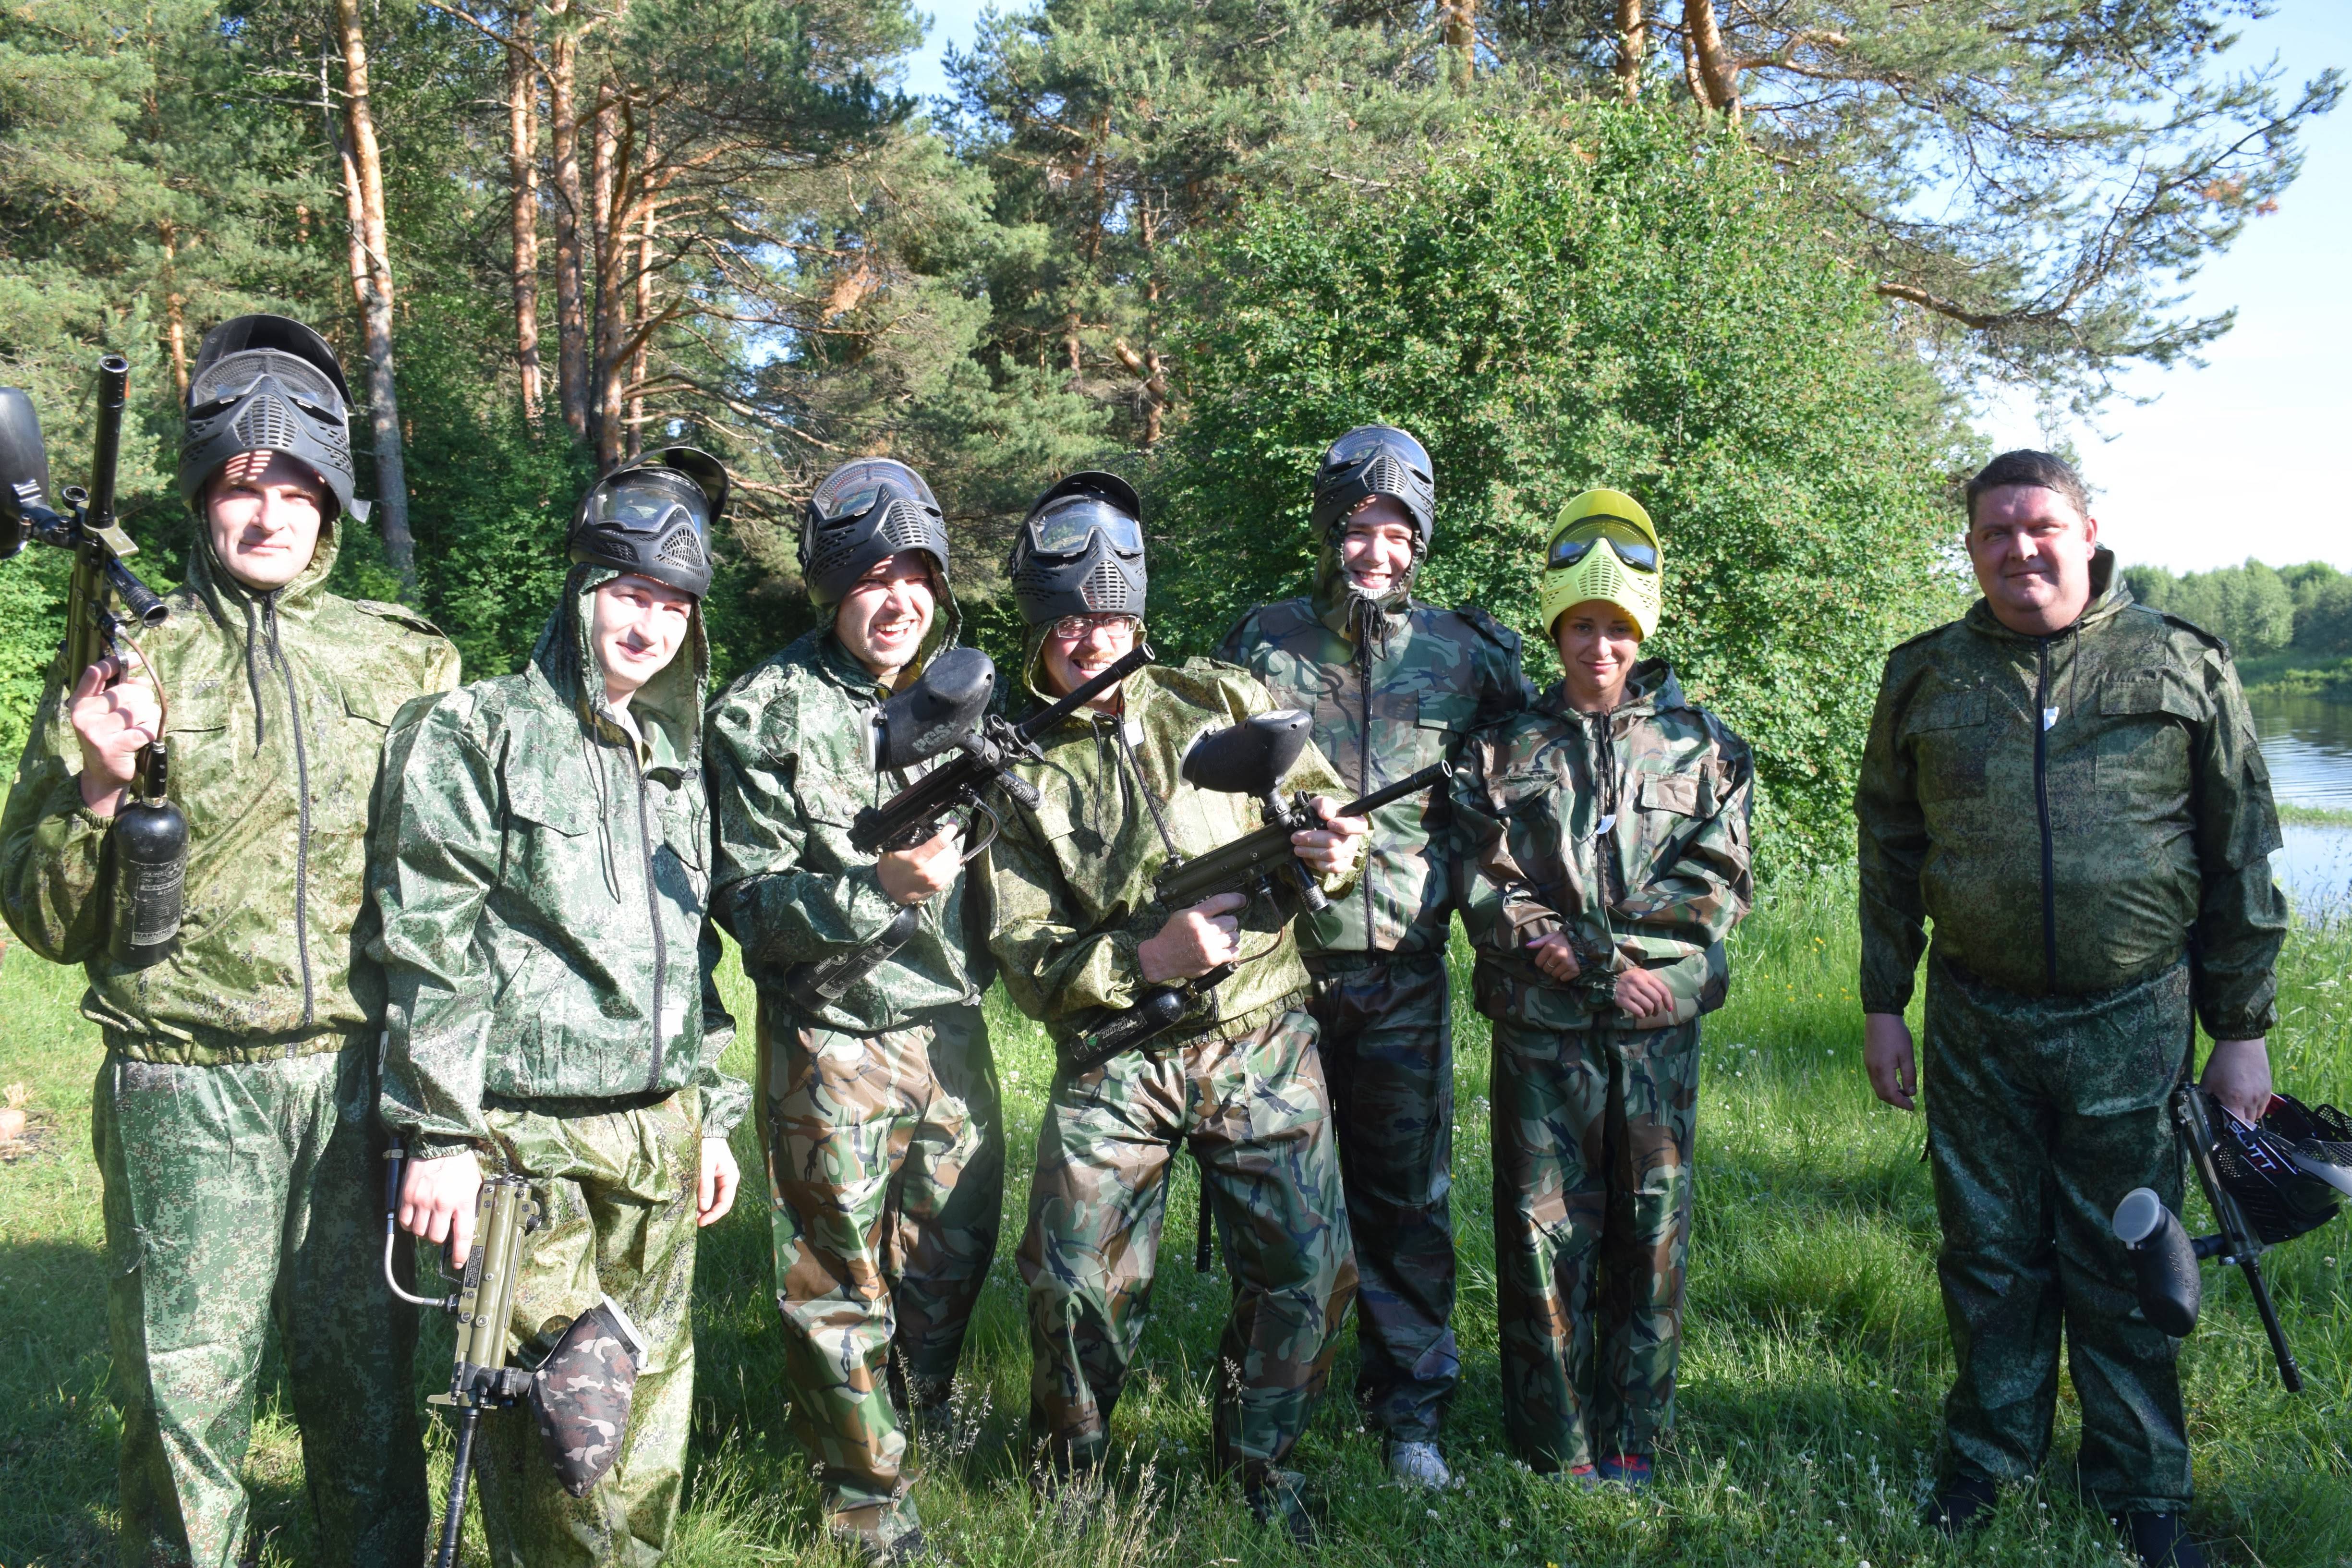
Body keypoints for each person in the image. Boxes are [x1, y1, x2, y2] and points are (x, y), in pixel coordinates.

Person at [0, 315, 458, 1567]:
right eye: (242, 488)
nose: (269, 516)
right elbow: (45, 920)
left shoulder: (404, 663)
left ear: (332, 504)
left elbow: (458, 887)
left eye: (296, 490)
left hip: (357, 1086)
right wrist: (100, 784)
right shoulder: (132, 658)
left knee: (368, 1397)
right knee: (181, 1397)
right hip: (182, 1087)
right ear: (205, 498)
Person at [1854, 450, 2285, 1568]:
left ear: (2087, 533)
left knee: (2127, 1256)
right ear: (1970, 549)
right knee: (1987, 1253)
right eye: (1994, 532)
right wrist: (1882, 1001)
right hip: (1975, 1021)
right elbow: (1888, 848)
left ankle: (2141, 1488)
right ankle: (1988, 1461)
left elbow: (2240, 853)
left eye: (2040, 525)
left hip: (2134, 1018)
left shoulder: (2179, 661)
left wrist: (2240, 1030)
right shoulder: (1925, 675)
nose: (2020, 548)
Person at [373, 449, 745, 1565]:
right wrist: (440, 1133)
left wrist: (711, 1114)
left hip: (659, 1133)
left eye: (673, 605)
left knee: (648, 1422)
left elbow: (690, 951)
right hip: (525, 1142)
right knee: (562, 1428)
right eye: (631, 594)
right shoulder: (472, 731)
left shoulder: (675, 764)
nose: (650, 625)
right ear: (583, 590)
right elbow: (427, 940)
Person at [986, 472, 1369, 1544]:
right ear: (1037, 627)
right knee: (1073, 1282)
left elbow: (1330, 811)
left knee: (1306, 1269)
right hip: (1118, 1049)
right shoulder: (1017, 768)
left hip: (1261, 1029)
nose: (1089, 639)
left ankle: (1260, 1463)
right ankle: (1069, 1480)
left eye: (1108, 617)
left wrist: (1334, 848)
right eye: (1067, 620)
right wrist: (1144, 957)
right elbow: (1023, 953)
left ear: (1139, 614)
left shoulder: (1223, 699)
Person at [1218, 424, 1530, 1486]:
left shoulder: (1469, 653)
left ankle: (1410, 1413)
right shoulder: (1263, 643)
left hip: (1402, 966)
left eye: (1398, 532)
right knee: (1280, 1205)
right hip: (1278, 971)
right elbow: (1207, 785)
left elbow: (1517, 791)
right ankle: (1267, 1406)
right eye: (1360, 528)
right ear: (1329, 530)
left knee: (1404, 1201)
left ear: (1422, 539)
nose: (1377, 551)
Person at [703, 459, 999, 1566]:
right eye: (873, 578)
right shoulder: (761, 712)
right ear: (831, 587)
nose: (897, 600)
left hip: (950, 1027)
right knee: (837, 1280)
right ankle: (869, 1505)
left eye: (916, 576)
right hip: (830, 1036)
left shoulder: (958, 699)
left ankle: (921, 1422)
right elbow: (745, 902)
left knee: (948, 1251)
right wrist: (875, 888)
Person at [1448, 488, 1753, 1489]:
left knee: (1648, 1231)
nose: (1598, 646)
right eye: (1581, 626)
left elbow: (1717, 878)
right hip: (1541, 1030)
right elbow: (1484, 873)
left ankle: (1634, 1434)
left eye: (1616, 627)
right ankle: (1557, 1443)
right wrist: (1564, 947)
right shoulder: (1500, 747)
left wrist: (1628, 965)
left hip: (1653, 1032)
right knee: (1542, 1234)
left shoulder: (1705, 745)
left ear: (1642, 631)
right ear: (1556, 630)